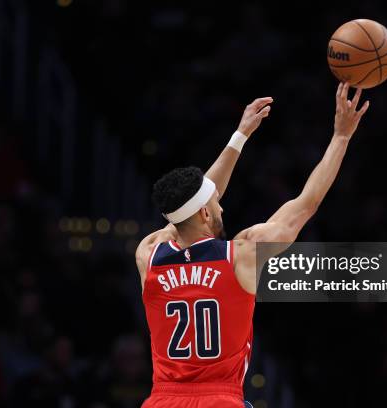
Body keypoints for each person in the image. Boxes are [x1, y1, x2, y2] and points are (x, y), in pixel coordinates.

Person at [135, 83, 369, 407]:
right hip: (221, 400)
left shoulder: (149, 255)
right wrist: (341, 136)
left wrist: (240, 136)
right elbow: (306, 203)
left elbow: (187, 211)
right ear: (204, 210)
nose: (222, 205)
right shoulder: (241, 255)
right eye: (216, 202)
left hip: (162, 401)